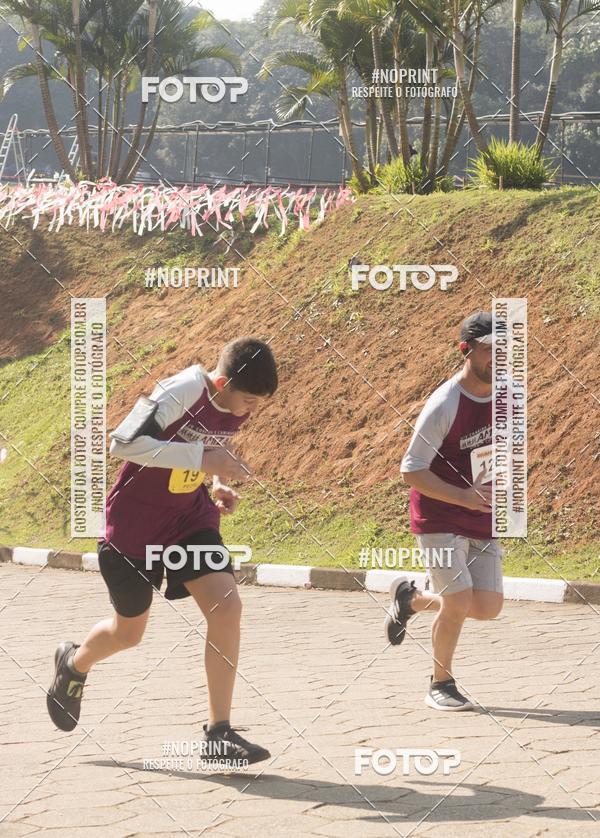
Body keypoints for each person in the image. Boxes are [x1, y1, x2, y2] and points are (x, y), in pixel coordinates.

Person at [47, 337, 278, 764]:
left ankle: (219, 733)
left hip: (189, 519)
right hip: (135, 527)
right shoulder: (180, 390)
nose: (249, 411)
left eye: (256, 404)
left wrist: (216, 482)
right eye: (247, 400)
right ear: (222, 381)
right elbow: (123, 443)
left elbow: (208, 448)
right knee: (128, 634)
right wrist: (202, 461)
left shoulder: (232, 405)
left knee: (227, 608)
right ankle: (74, 664)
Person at [385, 312, 503, 711]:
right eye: (489, 350)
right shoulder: (444, 404)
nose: (497, 359)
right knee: (458, 600)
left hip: (480, 511)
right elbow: (411, 469)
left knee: (486, 607)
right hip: (438, 515)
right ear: (466, 351)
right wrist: (462, 496)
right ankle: (441, 683)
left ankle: (412, 599)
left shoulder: (507, 394)